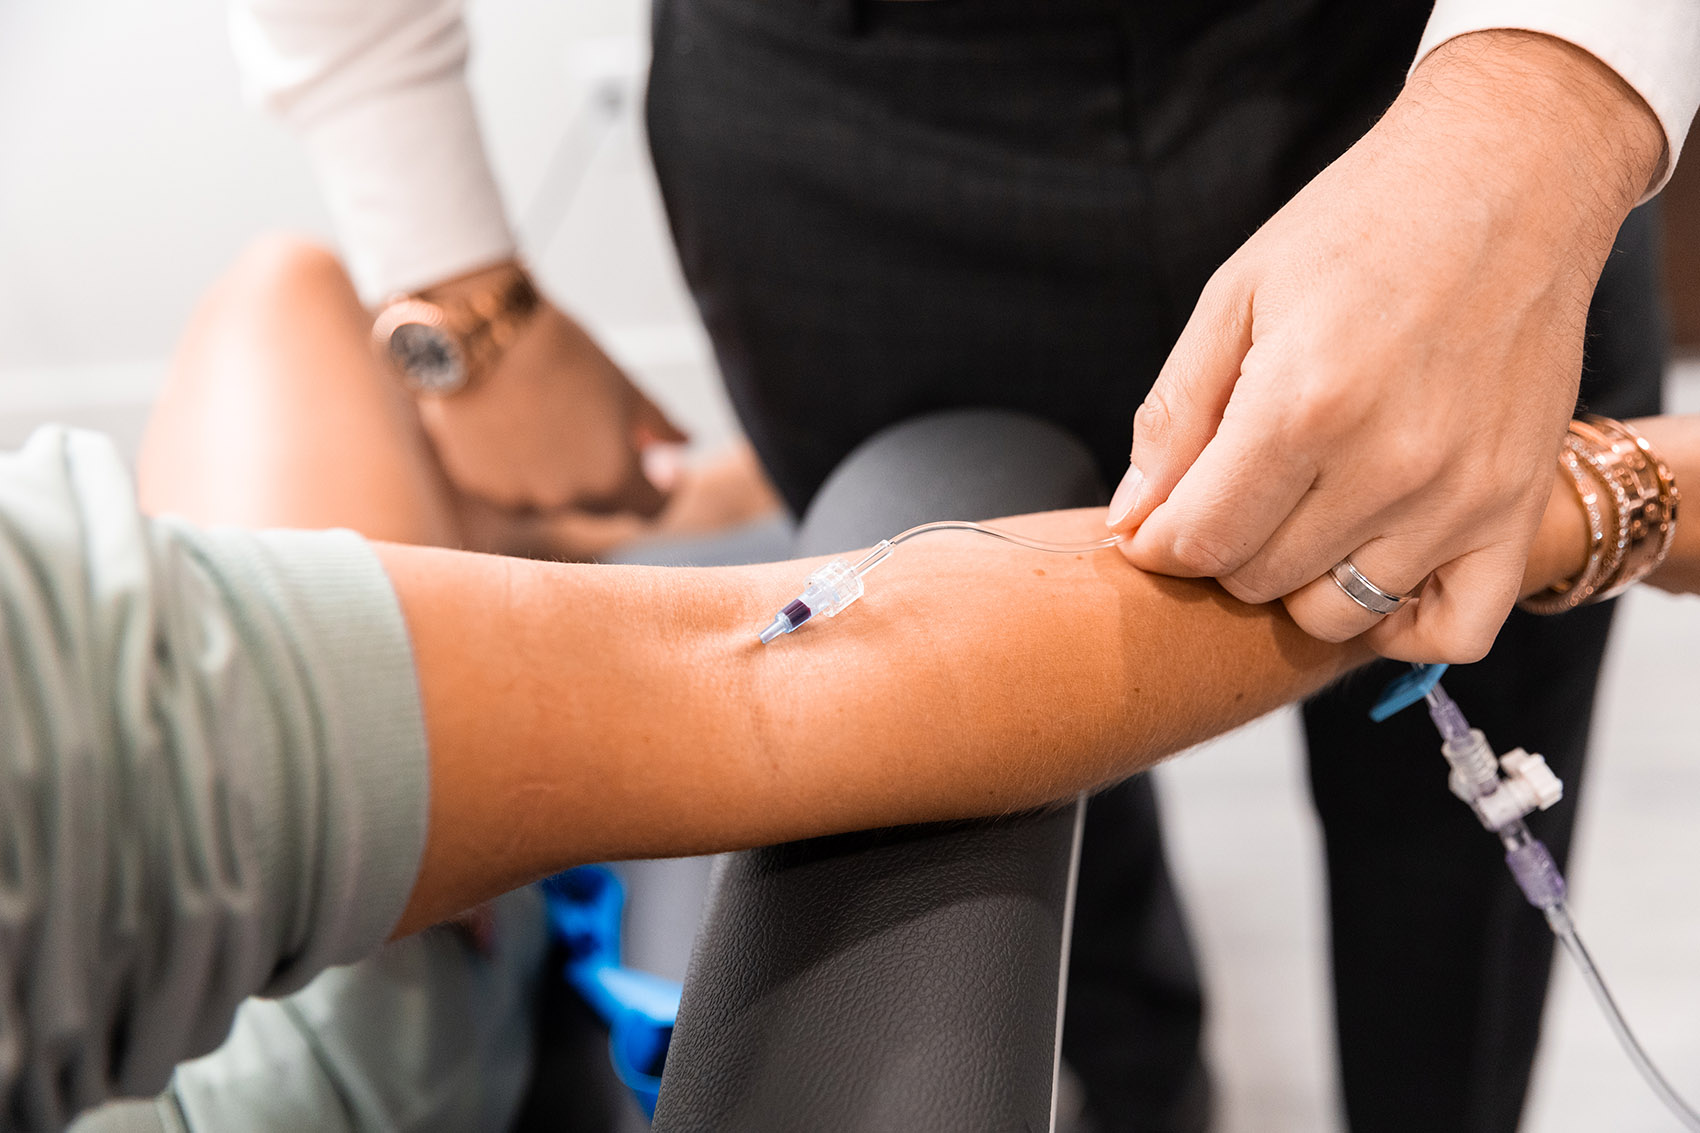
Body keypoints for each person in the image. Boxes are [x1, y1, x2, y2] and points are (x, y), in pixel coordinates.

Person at [230, 2, 1700, 1128]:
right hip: (848, 128)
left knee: (1456, 862)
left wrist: (1544, 105)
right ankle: (1144, 1087)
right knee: (1009, 836)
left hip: (1420, 83)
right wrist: (441, 253)